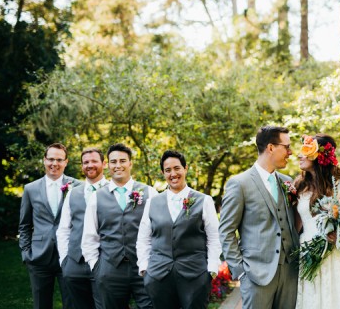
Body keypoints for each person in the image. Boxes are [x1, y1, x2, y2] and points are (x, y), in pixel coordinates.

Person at [219, 126, 299, 309]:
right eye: (286, 147)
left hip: (289, 273)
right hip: (256, 275)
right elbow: (226, 230)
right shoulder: (240, 184)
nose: (290, 152)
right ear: (271, 148)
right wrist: (240, 272)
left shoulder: (287, 182)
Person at [136, 150, 221, 309]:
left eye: (177, 168)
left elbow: (214, 238)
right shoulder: (152, 202)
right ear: (163, 173)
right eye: (168, 170)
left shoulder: (204, 200)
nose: (173, 174)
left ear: (185, 168)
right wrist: (145, 268)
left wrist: (211, 269)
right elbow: (143, 239)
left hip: (195, 275)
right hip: (158, 276)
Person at [294, 134, 340, 309]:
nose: (299, 155)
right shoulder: (299, 185)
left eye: (305, 151)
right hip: (309, 251)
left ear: (320, 156)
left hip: (336, 253)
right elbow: (296, 226)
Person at [81, 143, 158, 309]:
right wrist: (97, 267)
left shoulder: (150, 193)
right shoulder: (96, 197)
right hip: (110, 270)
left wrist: (153, 264)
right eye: (113, 161)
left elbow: (158, 232)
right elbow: (89, 236)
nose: (118, 165)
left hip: (144, 268)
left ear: (130, 163)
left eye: (122, 161)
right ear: (107, 164)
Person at [19, 142, 78, 309]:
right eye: (51, 159)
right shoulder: (30, 189)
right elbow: (24, 225)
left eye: (59, 159)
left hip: (68, 256)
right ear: (44, 160)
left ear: (66, 162)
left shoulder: (78, 186)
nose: (55, 163)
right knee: (41, 304)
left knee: (72, 302)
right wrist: (26, 253)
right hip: (39, 257)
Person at [56, 148, 109, 309]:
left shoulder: (113, 191)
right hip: (75, 264)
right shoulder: (73, 193)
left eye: (94, 161)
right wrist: (65, 261)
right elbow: (64, 229)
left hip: (104, 261)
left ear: (104, 164)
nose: (89, 165)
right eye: (86, 162)